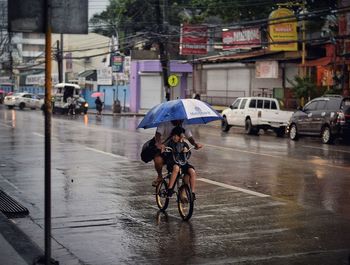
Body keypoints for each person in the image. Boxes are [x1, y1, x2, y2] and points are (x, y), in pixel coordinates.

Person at [152, 119, 202, 187]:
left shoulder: (184, 123)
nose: (180, 121)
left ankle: (184, 192)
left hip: (178, 150)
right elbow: (158, 134)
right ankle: (160, 176)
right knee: (158, 160)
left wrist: (194, 144)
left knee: (188, 171)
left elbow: (189, 136)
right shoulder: (165, 122)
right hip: (165, 148)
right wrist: (159, 144)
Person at [164, 126, 197, 199]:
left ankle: (192, 192)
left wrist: (186, 149)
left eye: (177, 136)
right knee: (176, 168)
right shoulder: (170, 143)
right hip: (172, 163)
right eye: (174, 135)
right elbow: (166, 152)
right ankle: (170, 189)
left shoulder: (184, 144)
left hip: (183, 163)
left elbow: (188, 154)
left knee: (192, 171)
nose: (175, 137)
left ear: (181, 136)